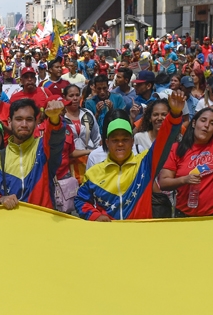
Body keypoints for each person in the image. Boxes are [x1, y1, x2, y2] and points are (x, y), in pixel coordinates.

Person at [76, 92, 185, 221]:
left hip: (139, 237)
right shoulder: (94, 173)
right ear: (107, 142)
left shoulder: (145, 164)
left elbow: (164, 141)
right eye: (115, 140)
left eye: (125, 139)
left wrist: (175, 115)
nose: (120, 143)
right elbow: (80, 200)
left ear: (132, 141)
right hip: (109, 237)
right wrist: (95, 216)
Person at [159, 83, 213, 217]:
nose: (206, 125)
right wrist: (184, 180)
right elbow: (163, 182)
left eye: (212, 123)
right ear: (193, 123)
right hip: (185, 215)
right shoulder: (177, 148)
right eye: (203, 120)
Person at [0, 99, 66, 209]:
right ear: (9, 122)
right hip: (10, 224)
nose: (24, 124)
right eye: (19, 119)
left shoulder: (43, 148)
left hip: (43, 223)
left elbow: (56, 140)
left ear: (36, 122)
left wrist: (54, 119)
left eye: (29, 119)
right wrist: (1, 199)